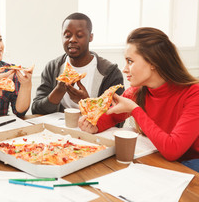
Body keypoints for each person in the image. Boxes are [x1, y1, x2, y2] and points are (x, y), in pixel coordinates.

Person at [79, 27, 199, 172]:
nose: (124, 69)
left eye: (130, 61)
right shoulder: (137, 92)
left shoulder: (194, 94)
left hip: (191, 166)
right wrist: (93, 125)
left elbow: (172, 150)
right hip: (159, 161)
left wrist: (135, 110)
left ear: (154, 62)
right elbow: (110, 117)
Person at [31, 12, 124, 114]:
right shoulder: (52, 68)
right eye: (67, 35)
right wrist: (58, 91)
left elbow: (117, 118)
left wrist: (86, 102)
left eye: (79, 35)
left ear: (91, 37)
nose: (72, 40)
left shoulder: (110, 73)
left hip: (93, 129)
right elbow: (36, 110)